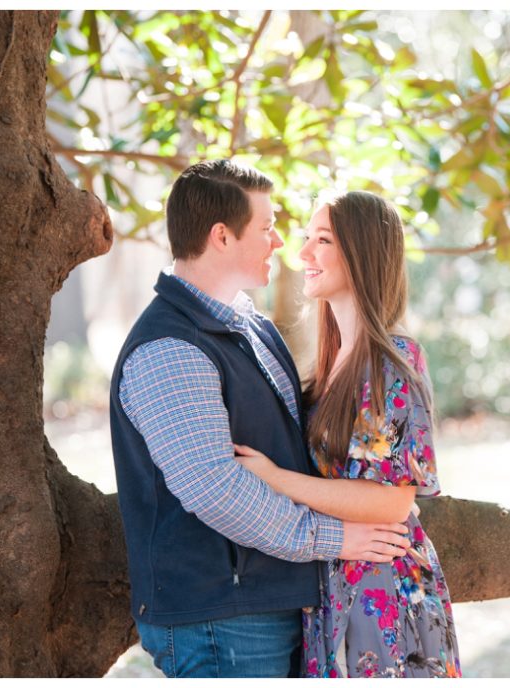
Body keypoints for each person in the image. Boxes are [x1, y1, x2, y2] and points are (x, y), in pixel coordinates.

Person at [109, 161, 413, 678]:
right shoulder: (170, 349)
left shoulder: (248, 325)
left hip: (270, 604)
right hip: (220, 619)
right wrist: (336, 538)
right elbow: (216, 489)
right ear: (221, 236)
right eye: (267, 226)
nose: (280, 243)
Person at [234, 191, 461, 678]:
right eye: (307, 239)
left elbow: (393, 502)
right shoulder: (327, 366)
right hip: (332, 581)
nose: (304, 254)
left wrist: (274, 478)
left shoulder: (393, 362)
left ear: (360, 252)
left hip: (385, 587)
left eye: (323, 240)